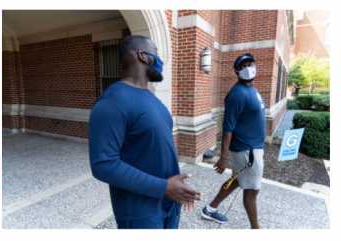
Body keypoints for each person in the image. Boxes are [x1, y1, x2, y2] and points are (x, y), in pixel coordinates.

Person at [88, 35, 202, 229]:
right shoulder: (111, 103)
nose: (160, 60)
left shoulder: (151, 98)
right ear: (142, 55)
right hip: (139, 213)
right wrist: (164, 188)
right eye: (156, 54)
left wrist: (176, 190)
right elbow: (103, 164)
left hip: (169, 204)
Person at [201, 54, 265, 229]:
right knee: (251, 191)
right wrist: (223, 158)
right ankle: (256, 230)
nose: (248, 68)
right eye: (243, 66)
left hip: (252, 147)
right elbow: (227, 127)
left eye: (250, 64)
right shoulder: (237, 94)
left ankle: (210, 209)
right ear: (237, 71)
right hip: (247, 150)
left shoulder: (252, 89)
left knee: (237, 180)